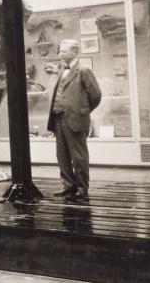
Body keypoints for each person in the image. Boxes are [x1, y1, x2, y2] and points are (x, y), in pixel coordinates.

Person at [46, 39, 101, 202]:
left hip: (75, 119)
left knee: (79, 156)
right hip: (58, 118)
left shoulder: (84, 70)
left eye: (64, 51)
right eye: (60, 51)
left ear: (74, 52)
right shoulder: (62, 69)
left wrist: (83, 111)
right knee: (62, 155)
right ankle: (68, 185)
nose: (60, 54)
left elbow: (96, 95)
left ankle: (82, 186)